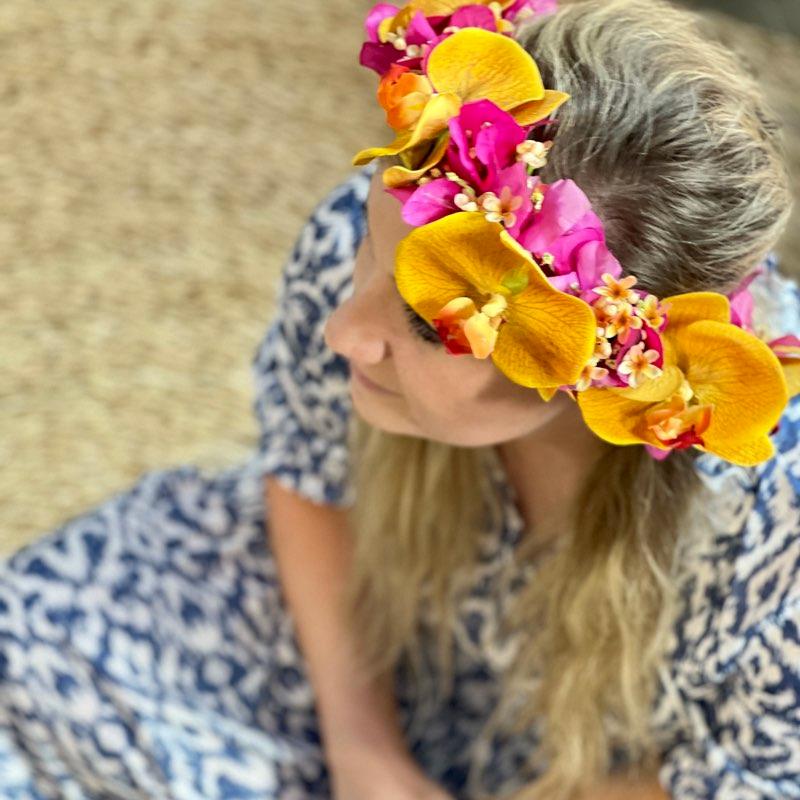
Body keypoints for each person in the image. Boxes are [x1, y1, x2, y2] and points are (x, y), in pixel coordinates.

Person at [2, 1, 800, 799]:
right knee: (28, 655)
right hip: (362, 617)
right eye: (371, 253)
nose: (344, 333)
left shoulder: (774, 515)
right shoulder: (378, 238)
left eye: (427, 323)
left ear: (598, 374)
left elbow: (735, 776)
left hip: (590, 774)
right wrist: (363, 748)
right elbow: (312, 480)